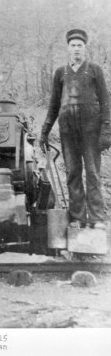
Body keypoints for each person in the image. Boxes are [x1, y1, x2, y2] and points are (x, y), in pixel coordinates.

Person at [40, 29, 111, 230]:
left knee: (92, 173)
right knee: (72, 172)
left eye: (80, 45)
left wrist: (106, 130)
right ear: (68, 49)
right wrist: (45, 131)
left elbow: (106, 102)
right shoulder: (61, 73)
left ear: (85, 48)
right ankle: (77, 218)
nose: (77, 49)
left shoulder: (95, 70)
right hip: (68, 131)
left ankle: (96, 219)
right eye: (73, 45)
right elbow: (54, 104)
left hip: (91, 131)